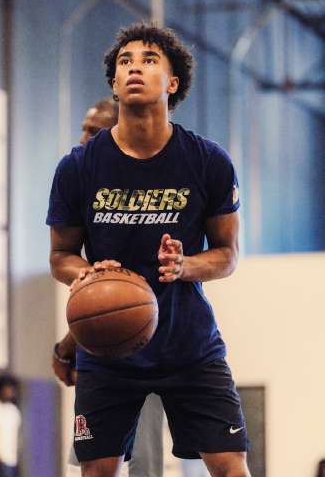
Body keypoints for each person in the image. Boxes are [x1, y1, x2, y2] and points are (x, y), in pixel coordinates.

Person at [46, 23, 251, 477]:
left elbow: (228, 254)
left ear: (172, 83)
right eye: (125, 61)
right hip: (107, 350)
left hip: (189, 344)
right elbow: (60, 255)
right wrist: (87, 273)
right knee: (98, 471)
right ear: (115, 83)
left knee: (231, 467)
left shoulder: (208, 160)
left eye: (149, 59)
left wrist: (185, 265)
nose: (135, 67)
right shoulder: (78, 167)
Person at [52, 97, 164, 477]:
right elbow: (102, 295)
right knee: (94, 466)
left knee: (144, 468)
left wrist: (69, 345)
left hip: (149, 343)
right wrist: (71, 345)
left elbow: (124, 299)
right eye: (83, 128)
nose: (83, 139)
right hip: (109, 350)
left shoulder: (143, 186)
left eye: (94, 131)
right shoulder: (84, 182)